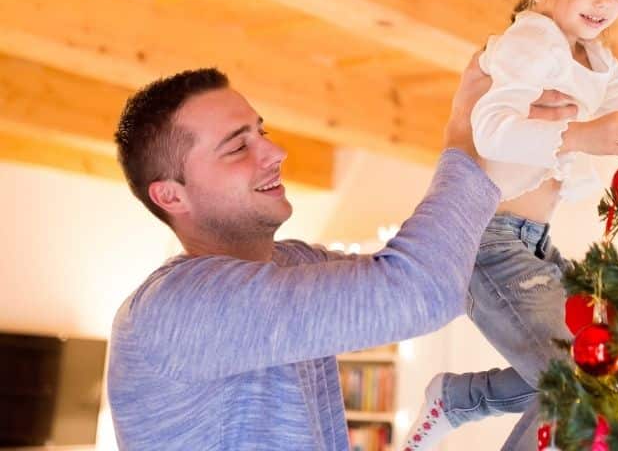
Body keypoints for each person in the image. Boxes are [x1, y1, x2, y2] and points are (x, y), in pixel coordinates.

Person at [106, 61, 576, 450]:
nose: (275, 151)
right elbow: (417, 293)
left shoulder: (290, 264)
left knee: (599, 375)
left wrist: (513, 152)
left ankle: (466, 399)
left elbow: (450, 275)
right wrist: (466, 146)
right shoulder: (176, 307)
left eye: (261, 132)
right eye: (237, 147)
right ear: (171, 196)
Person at [404, 0, 618, 451]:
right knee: (580, 379)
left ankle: (462, 399)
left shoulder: (596, 56)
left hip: (534, 243)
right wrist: (581, 136)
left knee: (602, 362)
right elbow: (491, 127)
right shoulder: (531, 40)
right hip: (489, 242)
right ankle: (461, 401)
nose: (604, 2)